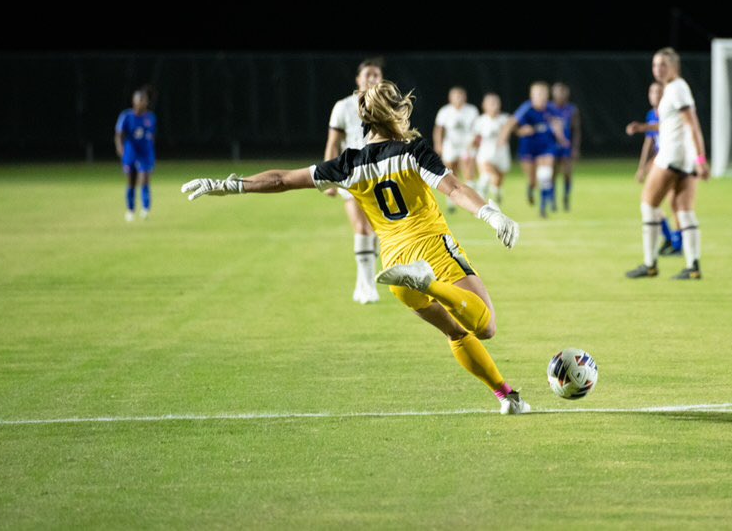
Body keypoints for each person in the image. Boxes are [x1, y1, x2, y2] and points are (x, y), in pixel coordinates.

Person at [181, 81, 530, 415]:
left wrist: (229, 185)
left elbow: (283, 179)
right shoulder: (413, 151)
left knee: (455, 331)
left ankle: (506, 396)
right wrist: (491, 214)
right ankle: (429, 283)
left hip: (393, 265)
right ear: (397, 113)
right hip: (432, 250)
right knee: (485, 327)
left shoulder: (349, 164)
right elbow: (453, 188)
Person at [626, 48, 709, 280]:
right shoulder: (676, 89)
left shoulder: (676, 88)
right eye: (655, 65)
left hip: (672, 156)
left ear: (675, 66)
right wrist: (644, 128)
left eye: (663, 64)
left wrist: (703, 159)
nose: (658, 69)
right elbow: (671, 124)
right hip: (686, 159)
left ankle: (650, 264)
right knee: (683, 210)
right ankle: (693, 267)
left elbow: (693, 125)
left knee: (649, 205)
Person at [326, 58, 386, 304]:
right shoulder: (343, 106)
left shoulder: (387, 106)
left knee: (375, 229)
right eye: (368, 74)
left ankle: (366, 283)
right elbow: (332, 142)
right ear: (358, 79)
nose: (372, 78)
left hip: (381, 173)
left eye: (376, 75)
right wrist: (329, 176)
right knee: (361, 228)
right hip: (351, 173)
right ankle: (366, 284)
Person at [625, 81, 681, 255]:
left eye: (659, 91)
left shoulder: (670, 111)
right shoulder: (651, 114)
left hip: (675, 161)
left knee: (673, 203)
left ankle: (677, 243)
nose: (655, 95)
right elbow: (649, 142)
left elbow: (665, 127)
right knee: (652, 202)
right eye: (652, 91)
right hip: (661, 161)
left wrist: (642, 127)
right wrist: (641, 167)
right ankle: (671, 239)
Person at [508, 81, 567, 218]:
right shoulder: (526, 108)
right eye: (538, 94)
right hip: (528, 148)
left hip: (546, 147)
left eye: (543, 94)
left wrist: (562, 138)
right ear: (532, 96)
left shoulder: (551, 109)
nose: (541, 97)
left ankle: (543, 207)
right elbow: (512, 125)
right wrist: (520, 131)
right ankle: (530, 187)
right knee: (533, 180)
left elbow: (558, 124)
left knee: (545, 175)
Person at [433, 86, 480, 212]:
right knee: (450, 172)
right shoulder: (445, 111)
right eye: (455, 96)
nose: (458, 98)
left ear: (465, 97)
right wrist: (438, 144)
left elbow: (477, 128)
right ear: (450, 98)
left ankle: (472, 202)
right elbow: (439, 129)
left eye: (460, 95)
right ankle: (451, 201)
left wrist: (476, 142)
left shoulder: (471, 110)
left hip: (466, 145)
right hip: (451, 145)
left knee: (469, 171)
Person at [114, 87, 157, 221]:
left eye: (143, 100)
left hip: (145, 152)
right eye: (139, 100)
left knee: (144, 179)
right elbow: (119, 134)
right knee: (131, 181)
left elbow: (151, 135)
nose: (141, 103)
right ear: (134, 101)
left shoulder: (150, 118)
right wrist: (120, 148)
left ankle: (145, 209)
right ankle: (131, 210)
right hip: (131, 151)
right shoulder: (126, 116)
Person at [472, 93, 512, 205]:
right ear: (484, 105)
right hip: (485, 153)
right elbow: (475, 138)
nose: (493, 106)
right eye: (490, 103)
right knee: (487, 176)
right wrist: (471, 150)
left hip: (502, 153)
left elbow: (513, 128)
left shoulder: (505, 119)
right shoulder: (480, 121)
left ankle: (496, 192)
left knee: (498, 180)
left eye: (495, 103)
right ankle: (480, 201)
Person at [549, 82, 581, 211]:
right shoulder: (548, 108)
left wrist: (575, 148)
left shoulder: (572, 110)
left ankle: (566, 197)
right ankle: (552, 201)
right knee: (551, 174)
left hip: (566, 146)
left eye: (563, 92)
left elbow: (577, 130)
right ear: (553, 93)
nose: (560, 95)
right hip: (551, 146)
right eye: (557, 91)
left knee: (567, 173)